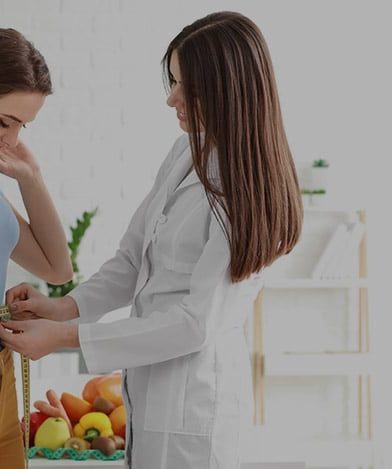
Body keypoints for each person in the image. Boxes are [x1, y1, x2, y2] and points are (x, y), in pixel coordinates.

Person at [1, 12, 302, 468]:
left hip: (195, 408)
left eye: (187, 87)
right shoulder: (185, 153)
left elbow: (194, 324)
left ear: (228, 91)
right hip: (149, 390)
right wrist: (63, 307)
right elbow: (130, 259)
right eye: (174, 80)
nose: (171, 98)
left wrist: (64, 337)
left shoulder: (246, 191)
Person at [0, 28, 74, 468]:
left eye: (21, 127)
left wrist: (31, 176)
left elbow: (56, 267)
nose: (9, 140)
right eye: (2, 122)